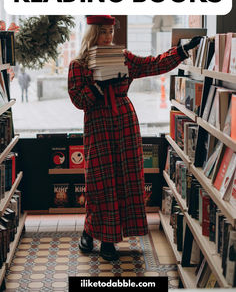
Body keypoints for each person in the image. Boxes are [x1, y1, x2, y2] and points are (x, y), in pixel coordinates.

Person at [68, 15, 201, 262]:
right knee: (100, 180)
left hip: (125, 122)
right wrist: (98, 86)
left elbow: (153, 65)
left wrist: (181, 51)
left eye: (110, 31)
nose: (108, 37)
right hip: (98, 124)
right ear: (92, 33)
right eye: (103, 32)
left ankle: (109, 239)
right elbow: (77, 99)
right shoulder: (78, 64)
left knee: (126, 178)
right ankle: (91, 230)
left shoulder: (123, 57)